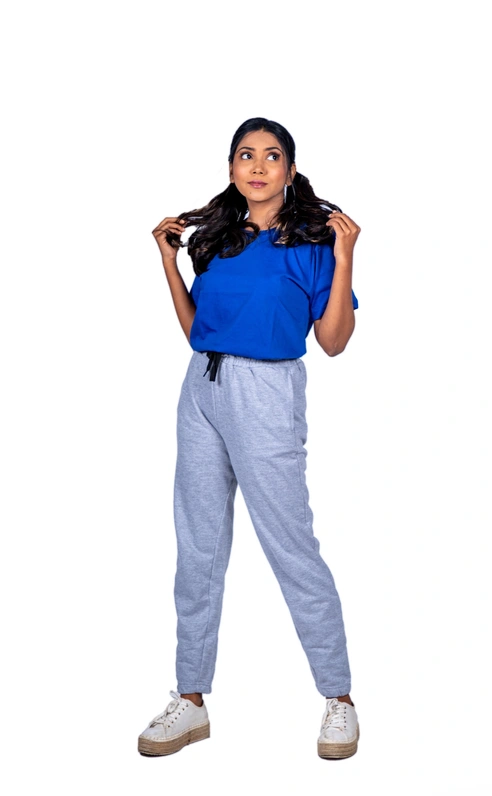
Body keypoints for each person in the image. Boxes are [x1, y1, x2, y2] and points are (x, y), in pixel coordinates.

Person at [137, 117, 361, 760]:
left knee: (291, 545)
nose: (257, 166)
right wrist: (169, 264)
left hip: (266, 392)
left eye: (271, 155)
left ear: (290, 170)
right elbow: (197, 330)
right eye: (245, 154)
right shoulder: (220, 240)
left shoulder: (313, 244)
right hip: (200, 388)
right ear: (232, 167)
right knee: (198, 546)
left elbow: (334, 342)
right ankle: (191, 699)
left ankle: (339, 697)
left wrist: (346, 258)